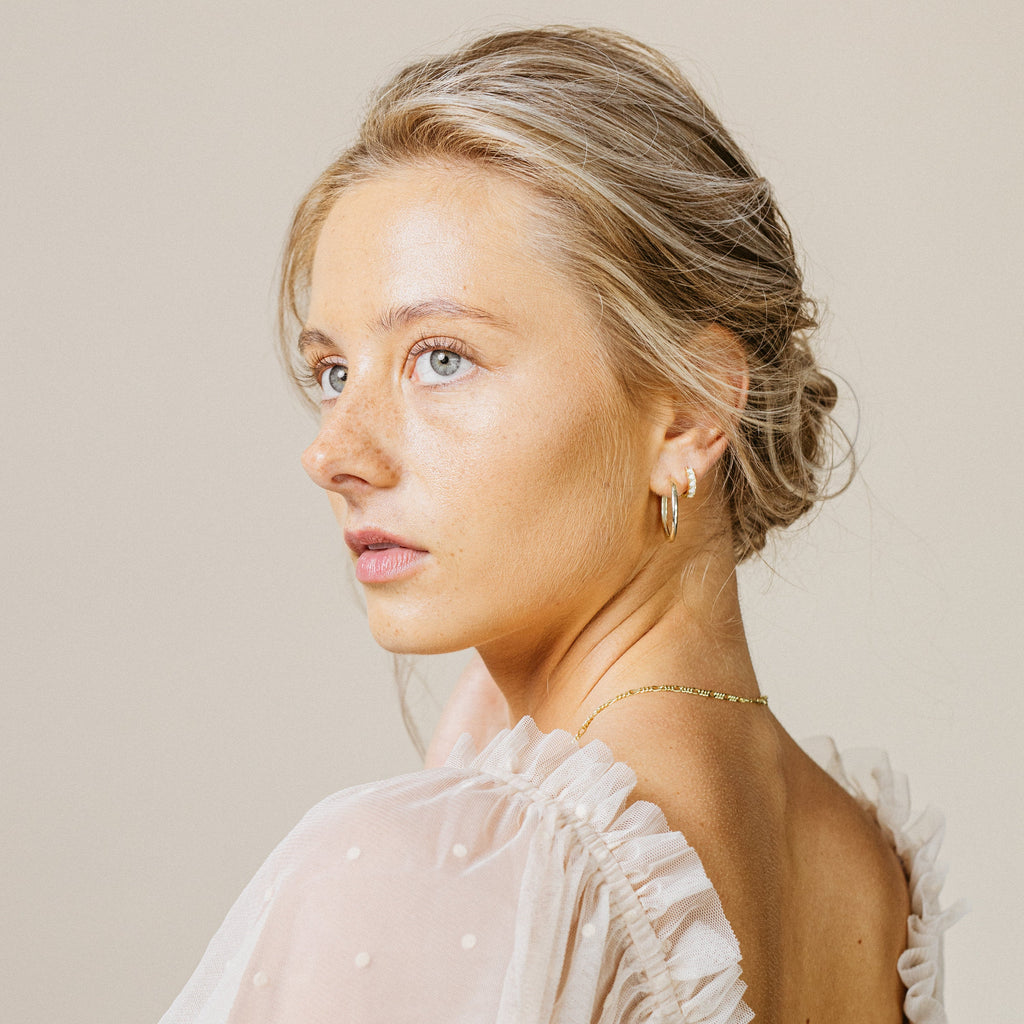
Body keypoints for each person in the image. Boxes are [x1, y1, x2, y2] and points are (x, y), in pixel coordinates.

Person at [159, 26, 960, 1023]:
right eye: (332, 373)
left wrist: (450, 844)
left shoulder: (415, 868)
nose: (333, 452)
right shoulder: (868, 875)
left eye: (440, 356)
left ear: (686, 411)